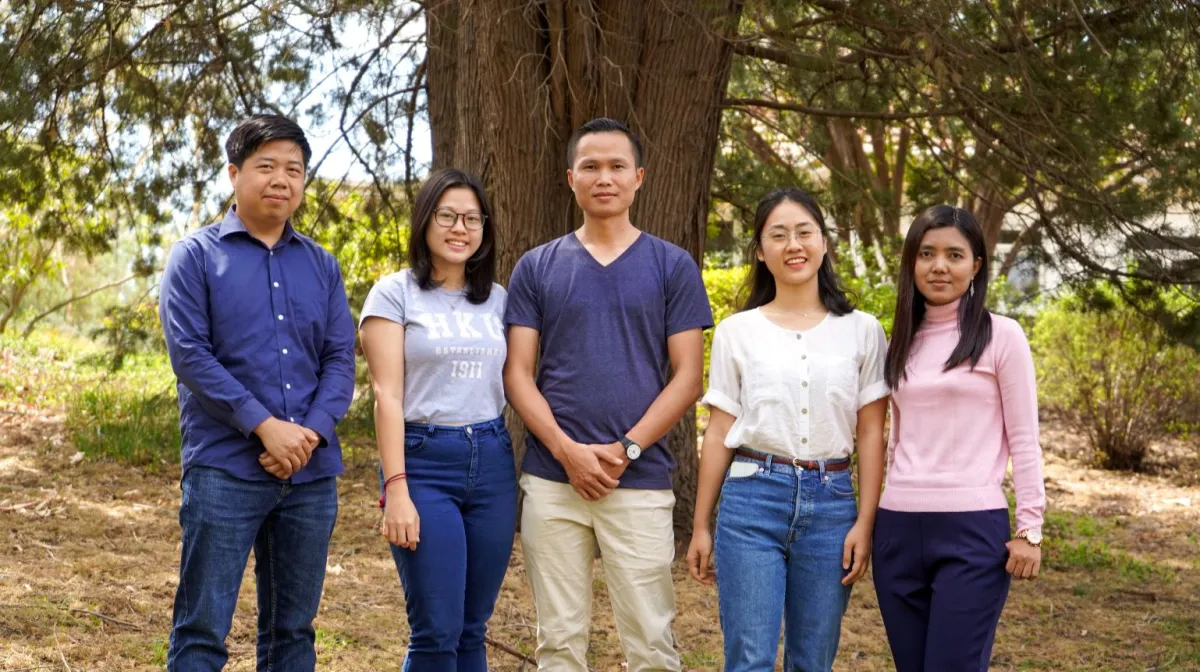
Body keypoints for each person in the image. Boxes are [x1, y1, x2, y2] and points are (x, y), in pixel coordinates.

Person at [503, 117, 713, 671]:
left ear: (638, 177)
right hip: (553, 481)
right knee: (559, 642)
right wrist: (567, 452)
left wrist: (627, 450)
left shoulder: (672, 265)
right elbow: (518, 374)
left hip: (638, 481)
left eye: (617, 166)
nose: (604, 177)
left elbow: (688, 378)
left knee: (651, 645)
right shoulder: (537, 266)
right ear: (570, 177)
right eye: (590, 166)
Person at [159, 114, 357, 670]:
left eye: (294, 169)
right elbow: (190, 356)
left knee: (293, 633)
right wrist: (266, 427)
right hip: (225, 469)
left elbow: (340, 358)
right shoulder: (195, 257)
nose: (281, 180)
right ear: (234, 173)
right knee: (202, 630)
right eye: (266, 166)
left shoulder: (321, 266)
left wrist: (310, 434)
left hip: (310, 475)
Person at [686, 187, 888, 672]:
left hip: (832, 504)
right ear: (760, 250)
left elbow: (871, 434)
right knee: (749, 658)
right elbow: (719, 430)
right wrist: (700, 524)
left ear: (824, 243)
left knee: (813, 661)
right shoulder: (737, 331)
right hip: (752, 499)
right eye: (778, 235)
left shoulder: (863, 330)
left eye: (804, 232)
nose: (793, 245)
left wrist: (864, 521)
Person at [873, 205, 1046, 671]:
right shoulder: (899, 342)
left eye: (954, 255)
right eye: (926, 253)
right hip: (896, 530)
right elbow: (897, 439)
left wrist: (1029, 528)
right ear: (912, 262)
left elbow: (1024, 438)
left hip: (972, 531)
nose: (939, 266)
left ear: (976, 265)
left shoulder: (1002, 336)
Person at [359, 168, 515, 672]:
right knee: (436, 631)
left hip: (492, 461)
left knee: (472, 629)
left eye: (472, 218)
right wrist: (396, 489)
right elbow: (386, 394)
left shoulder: (499, 299)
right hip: (423, 462)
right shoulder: (394, 293)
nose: (460, 228)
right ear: (425, 221)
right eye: (447, 216)